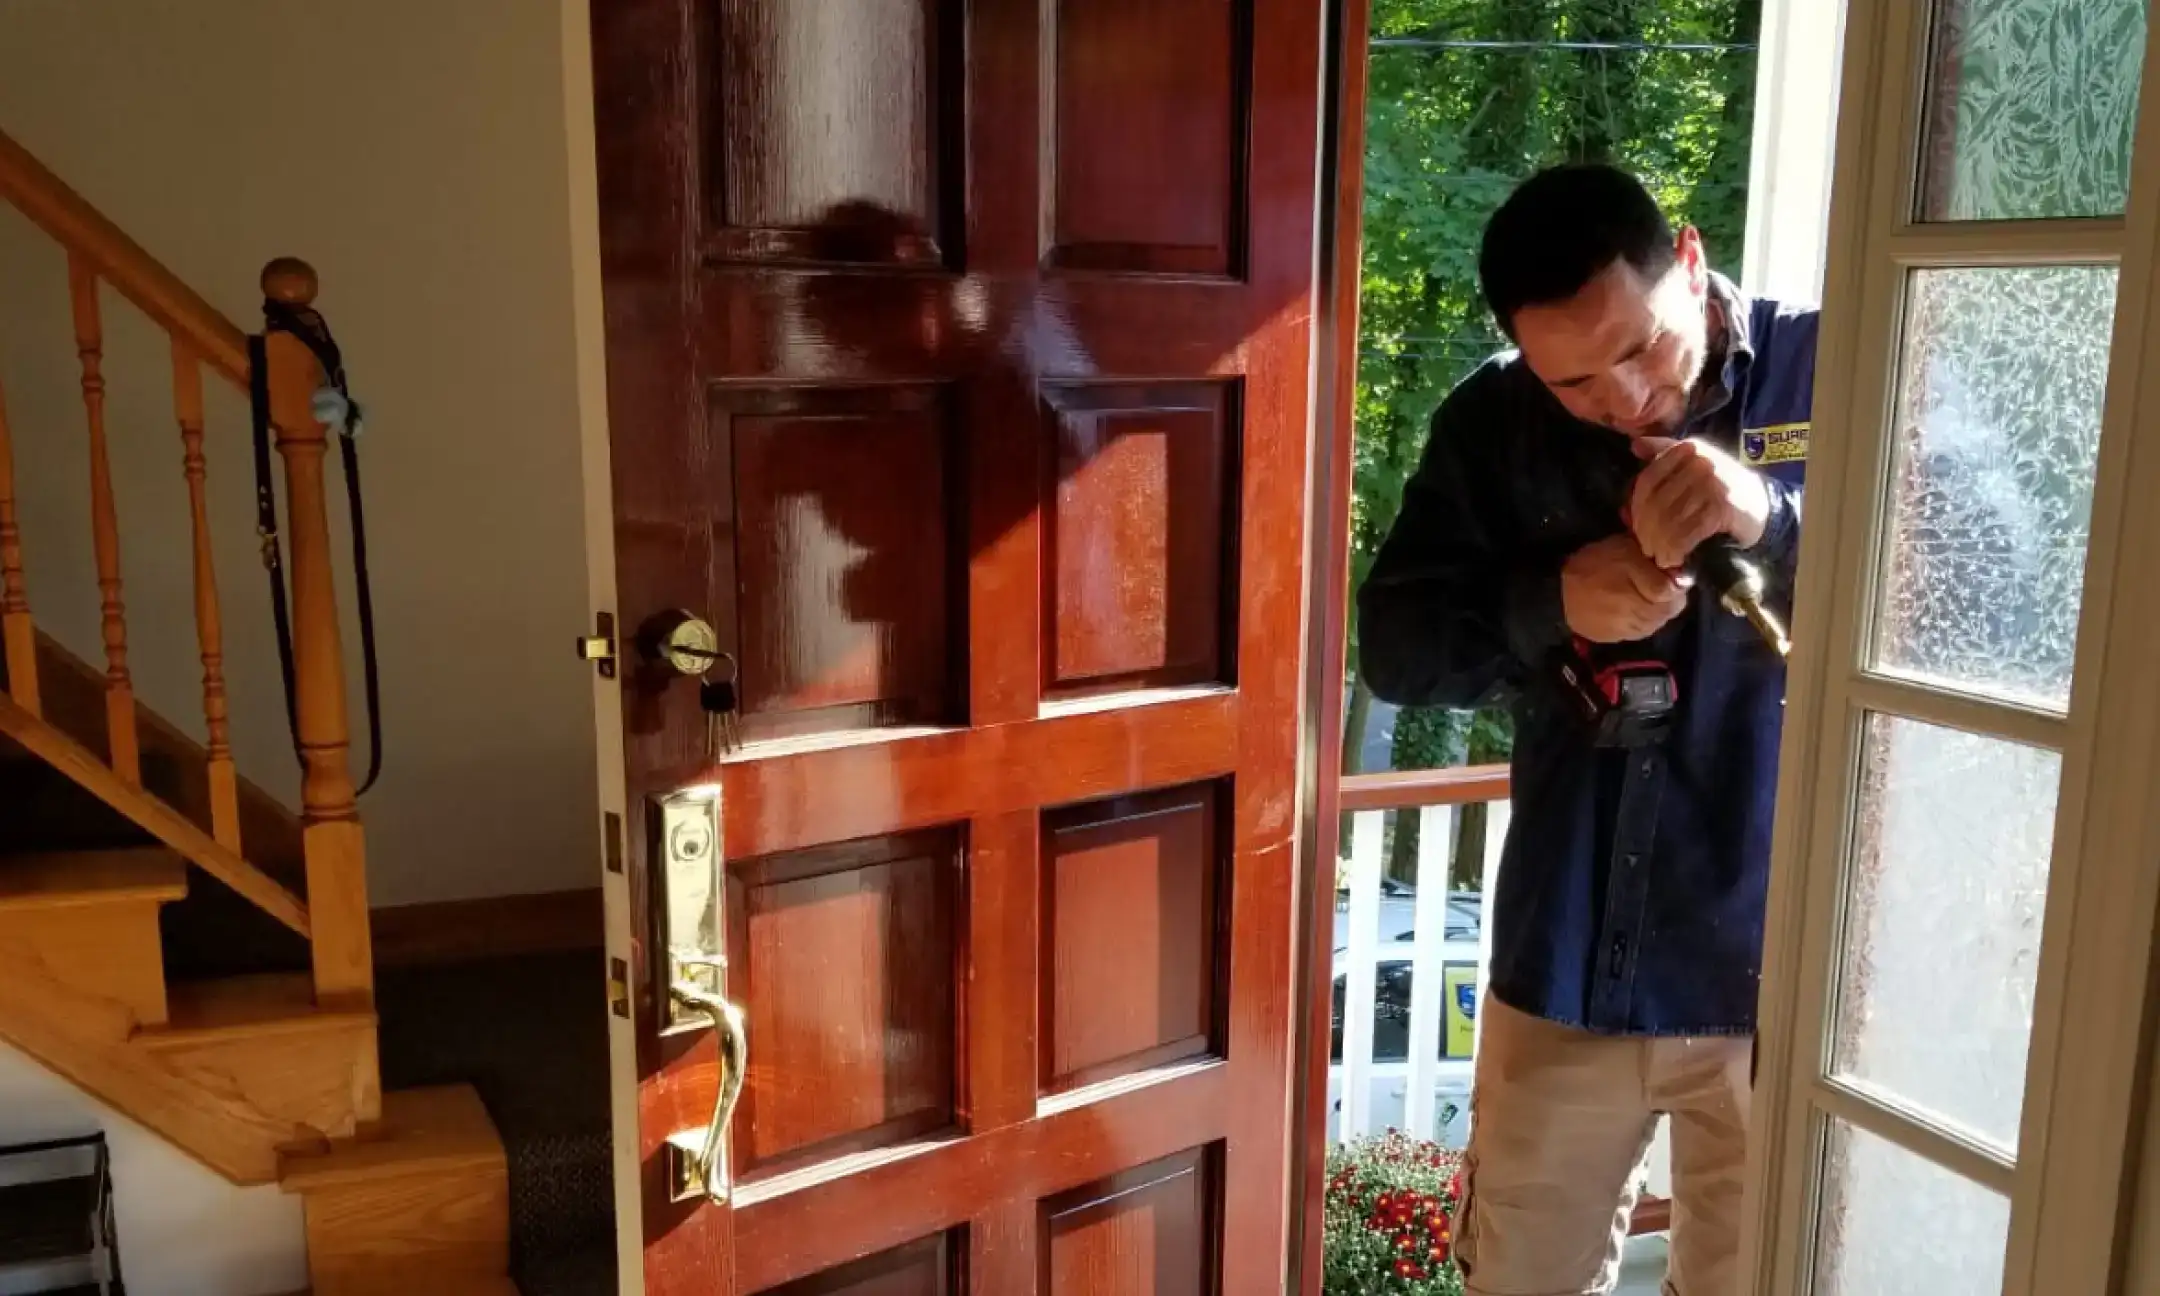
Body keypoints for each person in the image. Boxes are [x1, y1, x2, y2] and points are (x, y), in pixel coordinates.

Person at [1358, 163, 1815, 1295]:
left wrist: (1778, 517)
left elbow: (1981, 592)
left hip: (1792, 976)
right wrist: (1547, 606)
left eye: (1643, 347)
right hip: (1569, 958)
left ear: (1692, 262)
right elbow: (1398, 646)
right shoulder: (1494, 423)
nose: (1624, 399)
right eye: (1576, 382)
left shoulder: (1842, 363)